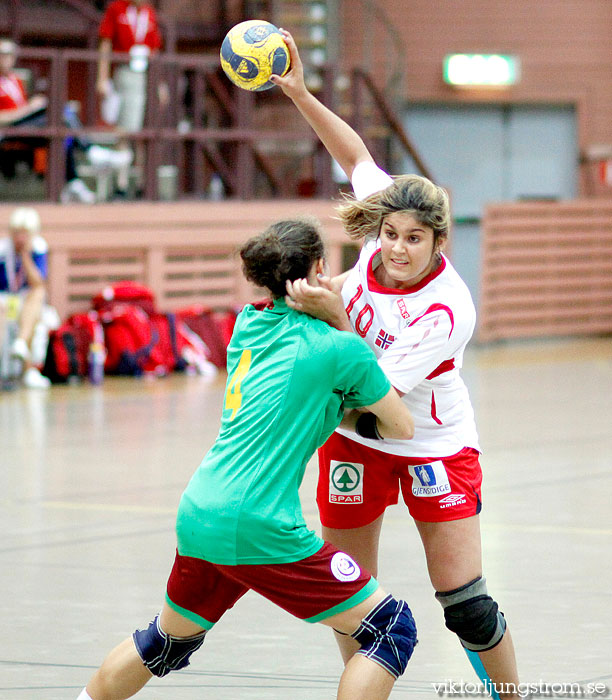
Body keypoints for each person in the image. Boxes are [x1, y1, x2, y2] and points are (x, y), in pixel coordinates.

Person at [75, 218, 418, 700]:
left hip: (200, 510)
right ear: (319, 270)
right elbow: (401, 425)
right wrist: (342, 322)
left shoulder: (247, 324)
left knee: (165, 643)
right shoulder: (338, 349)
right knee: (391, 629)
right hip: (257, 521)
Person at [272, 33, 520, 700]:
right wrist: (297, 91)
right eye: (390, 235)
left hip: (426, 438)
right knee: (349, 591)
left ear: (441, 241)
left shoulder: (447, 309)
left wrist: (332, 318)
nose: (398, 250)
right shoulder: (380, 238)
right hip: (357, 440)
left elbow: (376, 391)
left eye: (415, 240)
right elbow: (352, 152)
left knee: (465, 603)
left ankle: (511, 696)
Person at [0, 37, 132, 203]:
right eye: (3, 54)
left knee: (64, 127)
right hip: (8, 132)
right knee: (62, 115)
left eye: (10, 55)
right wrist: (29, 108)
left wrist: (33, 107)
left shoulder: (16, 80)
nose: (6, 59)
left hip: (26, 128)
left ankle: (73, 181)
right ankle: (89, 153)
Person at [96, 0, 167, 198]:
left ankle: (144, 182)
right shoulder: (116, 8)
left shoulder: (148, 12)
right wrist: (102, 76)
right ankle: (122, 181)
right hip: (126, 71)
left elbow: (154, 49)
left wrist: (160, 83)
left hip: (147, 73)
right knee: (126, 129)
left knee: (146, 130)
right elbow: (106, 42)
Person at [0, 207, 54, 389]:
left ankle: (23, 347)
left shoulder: (37, 248)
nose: (20, 238)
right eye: (17, 233)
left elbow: (38, 282)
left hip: (26, 301)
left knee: (37, 297)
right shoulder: (3, 249)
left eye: (25, 233)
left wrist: (25, 257)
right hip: (5, 299)